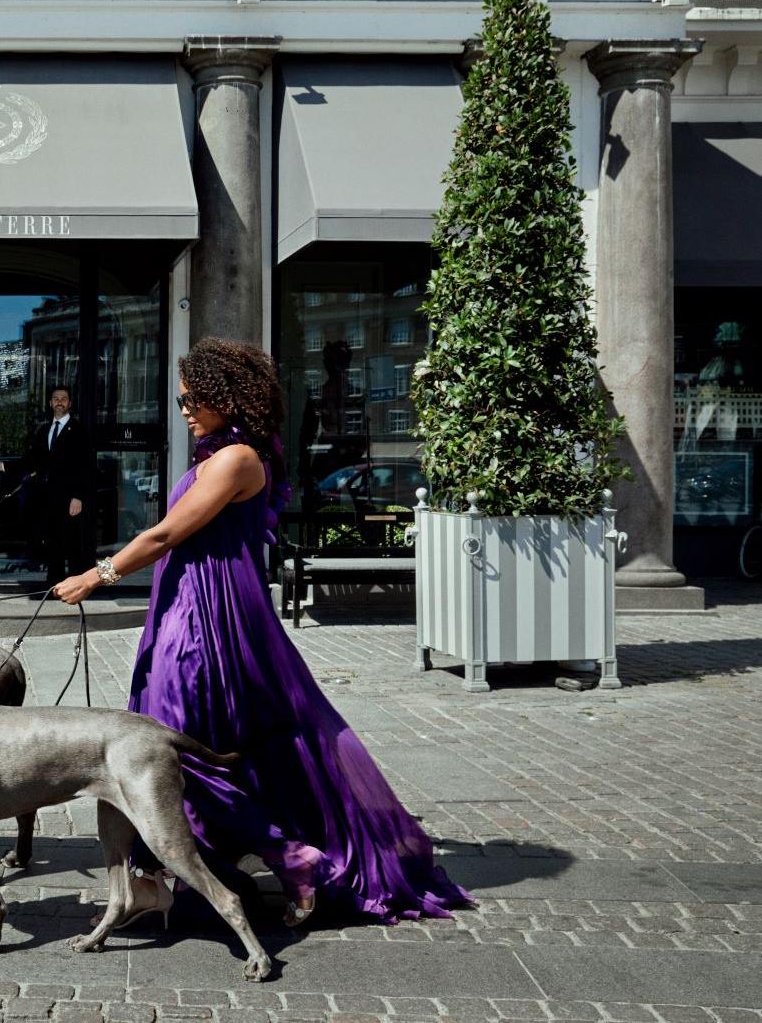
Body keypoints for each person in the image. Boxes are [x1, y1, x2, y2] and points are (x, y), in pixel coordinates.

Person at [55, 337, 473, 927]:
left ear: (228, 396)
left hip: (207, 621)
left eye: (194, 399)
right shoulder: (219, 456)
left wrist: (96, 576)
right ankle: (173, 875)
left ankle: (286, 855)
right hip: (187, 609)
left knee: (171, 744)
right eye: (180, 401)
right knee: (185, 739)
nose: (185, 411)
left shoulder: (236, 460)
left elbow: (165, 536)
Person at [27, 384, 93, 588]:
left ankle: (75, 586)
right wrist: (5, 467)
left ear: (69, 403)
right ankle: (54, 585)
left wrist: (78, 496)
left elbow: (86, 467)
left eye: (63, 398)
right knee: (53, 542)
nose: (59, 402)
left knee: (72, 543)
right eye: (56, 398)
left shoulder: (79, 430)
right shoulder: (44, 430)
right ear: (50, 403)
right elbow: (34, 460)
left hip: (70, 498)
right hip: (48, 497)